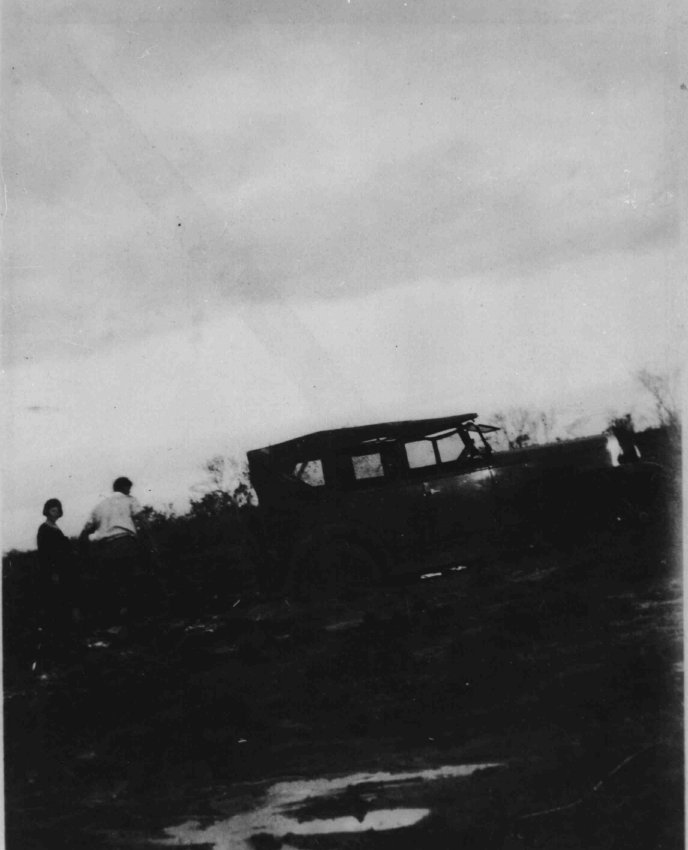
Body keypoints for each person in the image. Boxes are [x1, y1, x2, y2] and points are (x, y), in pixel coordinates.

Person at [79, 477, 156, 630]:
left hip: (105, 549)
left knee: (111, 584)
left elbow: (84, 532)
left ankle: (115, 623)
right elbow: (143, 520)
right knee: (132, 580)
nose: (130, 491)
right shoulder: (129, 499)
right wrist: (152, 543)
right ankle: (135, 621)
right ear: (125, 488)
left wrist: (86, 553)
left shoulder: (99, 506)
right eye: (129, 489)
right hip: (125, 543)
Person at [36, 498, 81, 662]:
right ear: (47, 511)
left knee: (66, 603)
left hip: (65, 571)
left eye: (57, 510)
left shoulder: (56, 528)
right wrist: (53, 572)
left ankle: (67, 642)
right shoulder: (45, 529)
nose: (55, 512)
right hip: (54, 572)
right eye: (52, 510)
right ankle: (57, 645)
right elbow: (45, 554)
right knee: (57, 605)